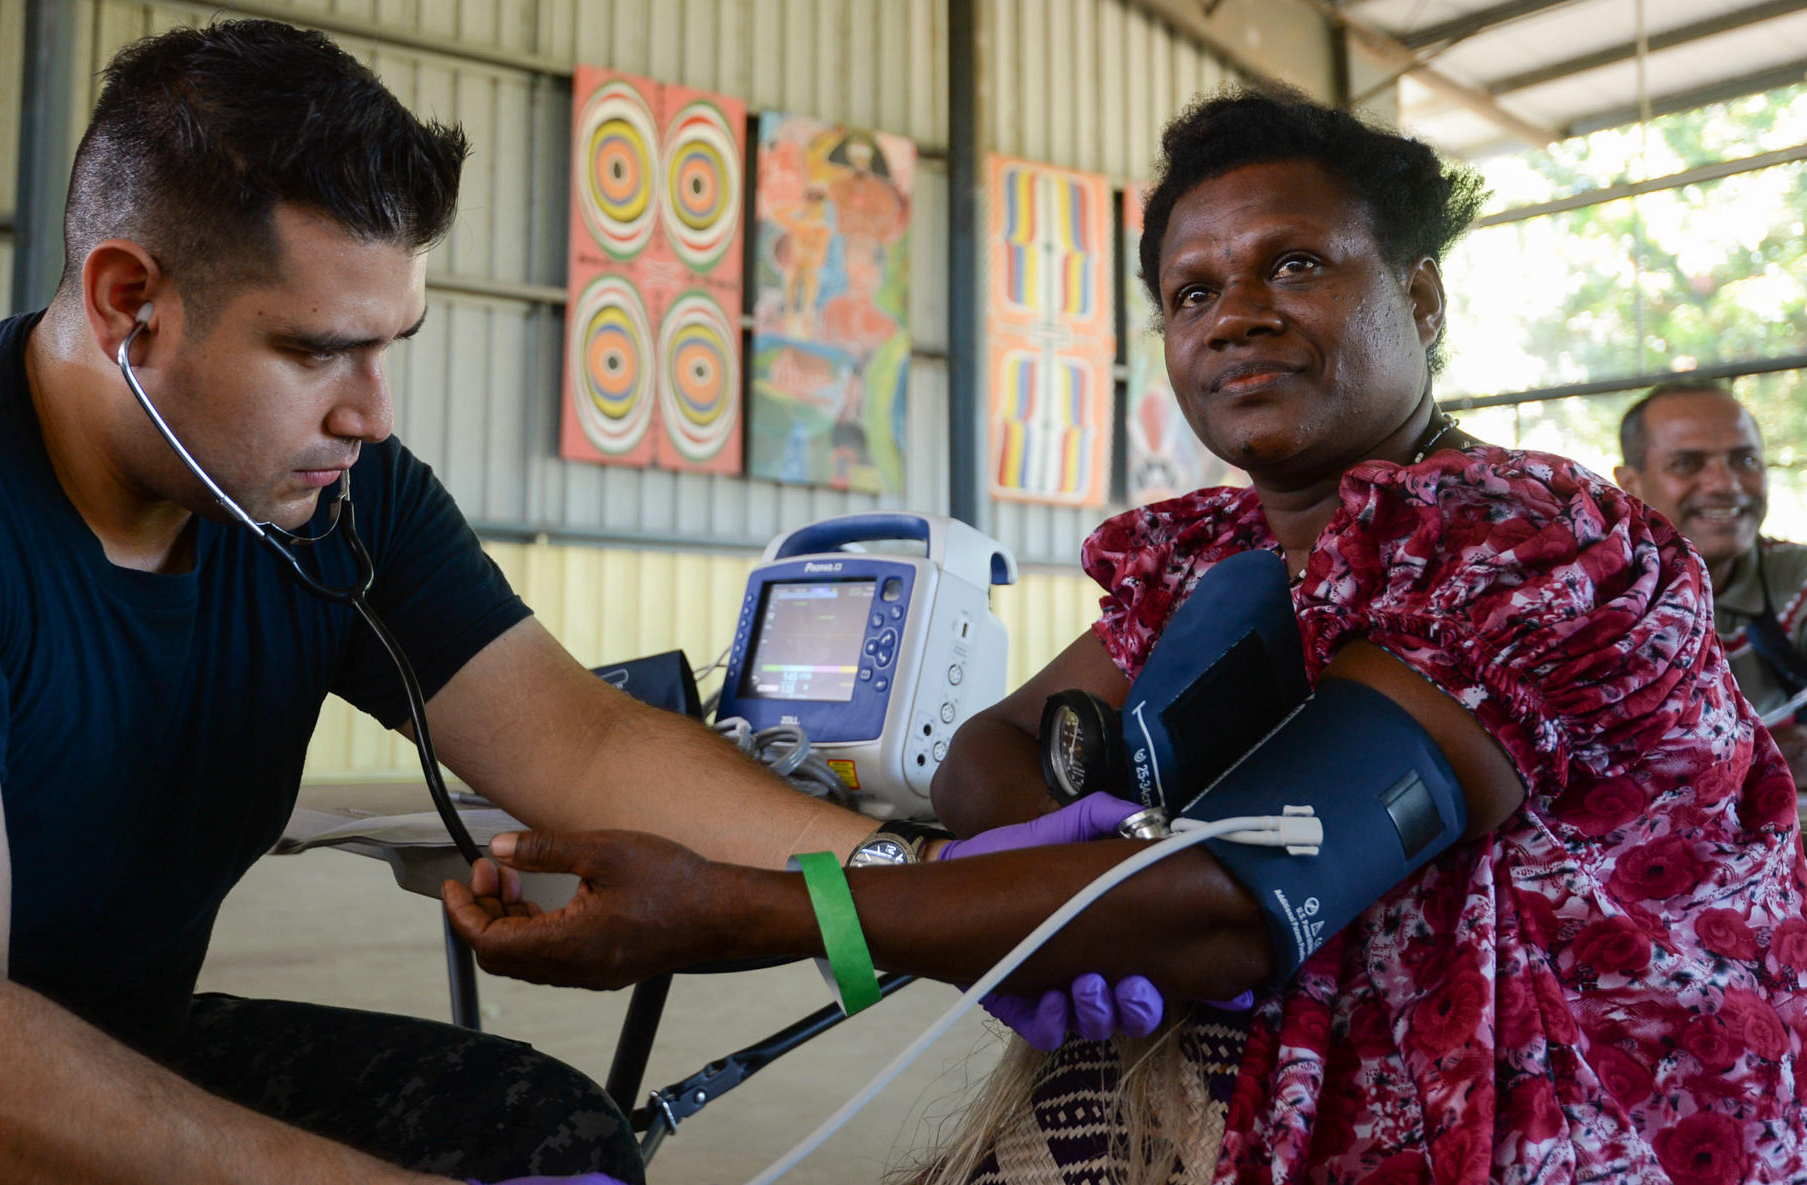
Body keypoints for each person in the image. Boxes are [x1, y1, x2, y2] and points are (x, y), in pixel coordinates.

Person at [0, 19, 988, 1185]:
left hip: (109, 1038)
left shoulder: (336, 495)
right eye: (315, 351)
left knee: (539, 1133)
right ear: (128, 303)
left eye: (390, 347)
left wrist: (930, 892)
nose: (371, 414)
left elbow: (581, 741)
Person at [444, 89, 1807, 1183]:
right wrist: (1058, 843)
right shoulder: (1210, 548)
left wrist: (743, 908)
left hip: (1555, 1104)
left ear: (1424, 301)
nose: (1237, 314)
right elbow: (994, 742)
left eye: (1293, 264)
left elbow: (1229, 908)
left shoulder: (1524, 542)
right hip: (1301, 1058)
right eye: (1190, 292)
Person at [1615, 381, 1807, 784]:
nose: (1725, 484)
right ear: (1629, 484)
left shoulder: (1795, 581)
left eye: (1746, 460)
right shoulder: (1594, 598)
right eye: (1687, 464)